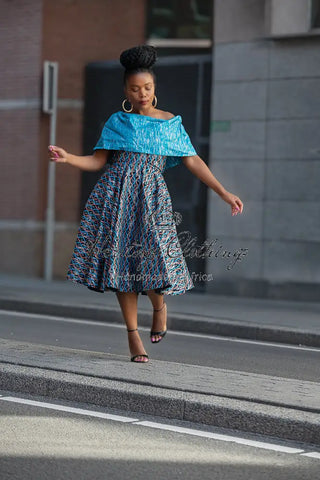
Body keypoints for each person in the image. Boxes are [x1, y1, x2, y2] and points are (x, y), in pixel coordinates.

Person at [48, 44, 243, 364]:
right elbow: (98, 162)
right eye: (135, 88)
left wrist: (223, 192)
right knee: (121, 268)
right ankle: (133, 337)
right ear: (126, 90)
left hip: (151, 198)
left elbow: (192, 160)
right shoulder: (116, 122)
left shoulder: (169, 123)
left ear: (155, 89)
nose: (142, 93)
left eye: (148, 87)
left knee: (157, 261)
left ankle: (159, 308)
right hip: (116, 198)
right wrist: (68, 158)